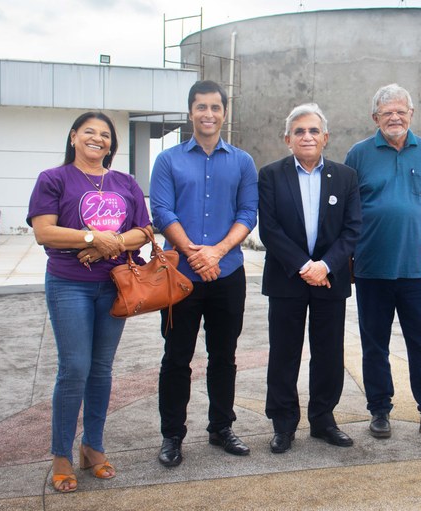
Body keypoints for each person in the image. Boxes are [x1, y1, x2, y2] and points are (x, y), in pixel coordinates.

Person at [27, 112, 152, 493]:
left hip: (115, 285)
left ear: (111, 144)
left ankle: (92, 446)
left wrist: (108, 245)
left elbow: (145, 230)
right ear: (73, 137)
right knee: (74, 368)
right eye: (89, 132)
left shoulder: (125, 182)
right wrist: (91, 238)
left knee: (101, 369)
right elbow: (44, 231)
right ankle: (61, 454)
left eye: (105, 135)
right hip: (70, 284)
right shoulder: (53, 179)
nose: (97, 139)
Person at [344, 83, 421, 442]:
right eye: (387, 113)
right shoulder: (358, 154)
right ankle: (380, 410)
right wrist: (348, 256)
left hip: (415, 268)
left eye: (401, 111)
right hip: (371, 267)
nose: (394, 118)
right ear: (375, 118)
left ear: (411, 114)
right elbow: (347, 209)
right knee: (375, 345)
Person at [150, 80, 258, 467]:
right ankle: (172, 436)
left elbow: (248, 212)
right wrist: (194, 253)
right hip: (179, 277)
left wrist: (217, 251)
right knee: (176, 357)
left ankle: (221, 427)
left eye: (215, 107)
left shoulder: (242, 162)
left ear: (224, 113)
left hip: (227, 274)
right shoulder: (168, 161)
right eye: (201, 107)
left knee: (223, 356)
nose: (208, 114)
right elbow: (162, 212)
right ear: (190, 112)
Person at [258, 103, 362, 453]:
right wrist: (305, 266)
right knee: (284, 353)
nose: (307, 136)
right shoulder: (271, 175)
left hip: (330, 279)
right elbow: (269, 229)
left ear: (325, 137)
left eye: (313, 130)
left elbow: (352, 229)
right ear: (287, 139)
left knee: (329, 353)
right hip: (287, 278)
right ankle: (283, 424)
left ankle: (323, 420)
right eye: (299, 131)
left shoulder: (345, 176)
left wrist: (325, 266)